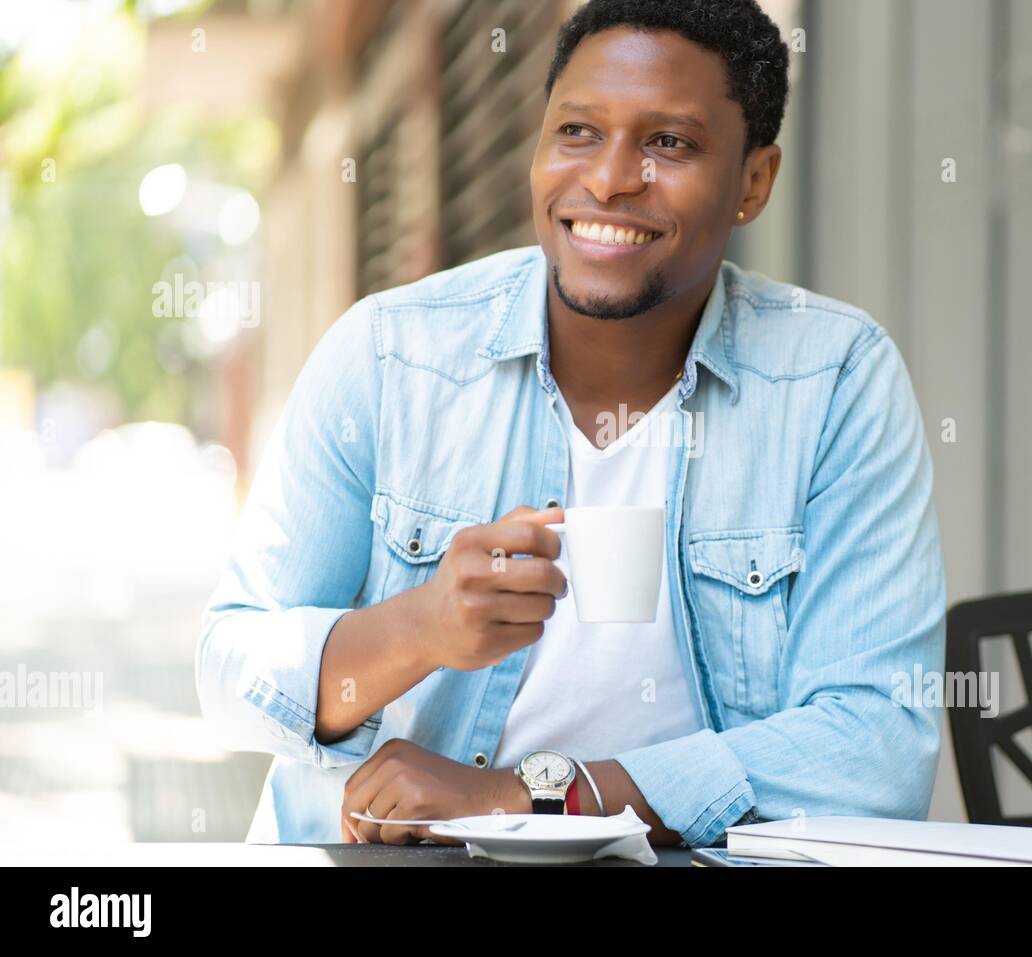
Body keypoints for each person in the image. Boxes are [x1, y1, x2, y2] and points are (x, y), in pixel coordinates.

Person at [196, 0, 946, 848]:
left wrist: (541, 793)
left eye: (670, 143)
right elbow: (230, 672)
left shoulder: (833, 379)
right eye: (579, 131)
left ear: (754, 182)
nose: (611, 176)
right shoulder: (390, 355)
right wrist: (421, 625)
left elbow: (878, 747)